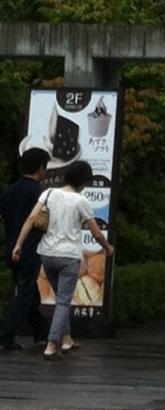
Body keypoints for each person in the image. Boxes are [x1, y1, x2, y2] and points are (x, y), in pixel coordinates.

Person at [12, 159, 113, 359]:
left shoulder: (48, 193)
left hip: (47, 254)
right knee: (64, 302)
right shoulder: (81, 201)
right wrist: (107, 248)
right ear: (84, 182)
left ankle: (66, 340)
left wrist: (18, 244)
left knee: (60, 298)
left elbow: (31, 219)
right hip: (69, 257)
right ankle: (51, 345)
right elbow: (96, 233)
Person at [0, 148, 51, 350]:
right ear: (40, 169)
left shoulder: (9, 191)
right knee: (24, 295)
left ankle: (40, 332)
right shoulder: (40, 193)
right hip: (29, 250)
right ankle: (5, 335)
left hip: (11, 249)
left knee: (29, 292)